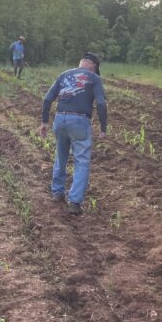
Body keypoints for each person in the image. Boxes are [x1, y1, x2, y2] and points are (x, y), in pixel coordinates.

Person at [39, 52, 107, 215]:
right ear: (93, 66)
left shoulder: (64, 75)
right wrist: (103, 127)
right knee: (82, 160)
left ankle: (57, 193)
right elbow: (101, 103)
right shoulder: (94, 78)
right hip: (79, 121)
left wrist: (44, 122)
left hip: (60, 119)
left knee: (61, 156)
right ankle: (75, 202)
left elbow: (48, 99)